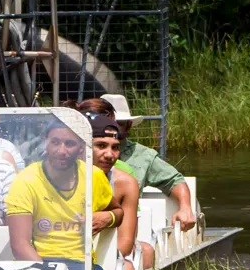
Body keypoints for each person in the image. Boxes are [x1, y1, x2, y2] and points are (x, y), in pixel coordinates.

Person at [5, 120, 119, 270]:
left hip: (82, 263)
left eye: (70, 144)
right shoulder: (26, 179)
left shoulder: (93, 175)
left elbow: (118, 212)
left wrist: (108, 217)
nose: (62, 151)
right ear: (45, 142)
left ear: (81, 147)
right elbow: (20, 245)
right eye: (55, 142)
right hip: (37, 262)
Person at [80, 96, 196, 232]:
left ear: (128, 125)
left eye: (119, 123)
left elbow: (173, 179)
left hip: (126, 228)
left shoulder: (141, 158)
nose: (110, 128)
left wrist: (186, 207)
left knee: (145, 250)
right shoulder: (67, 161)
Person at [90, 117, 150, 270]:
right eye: (101, 146)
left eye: (115, 148)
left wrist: (109, 217)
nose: (110, 155)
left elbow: (125, 242)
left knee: (128, 268)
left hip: (104, 255)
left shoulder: (126, 182)